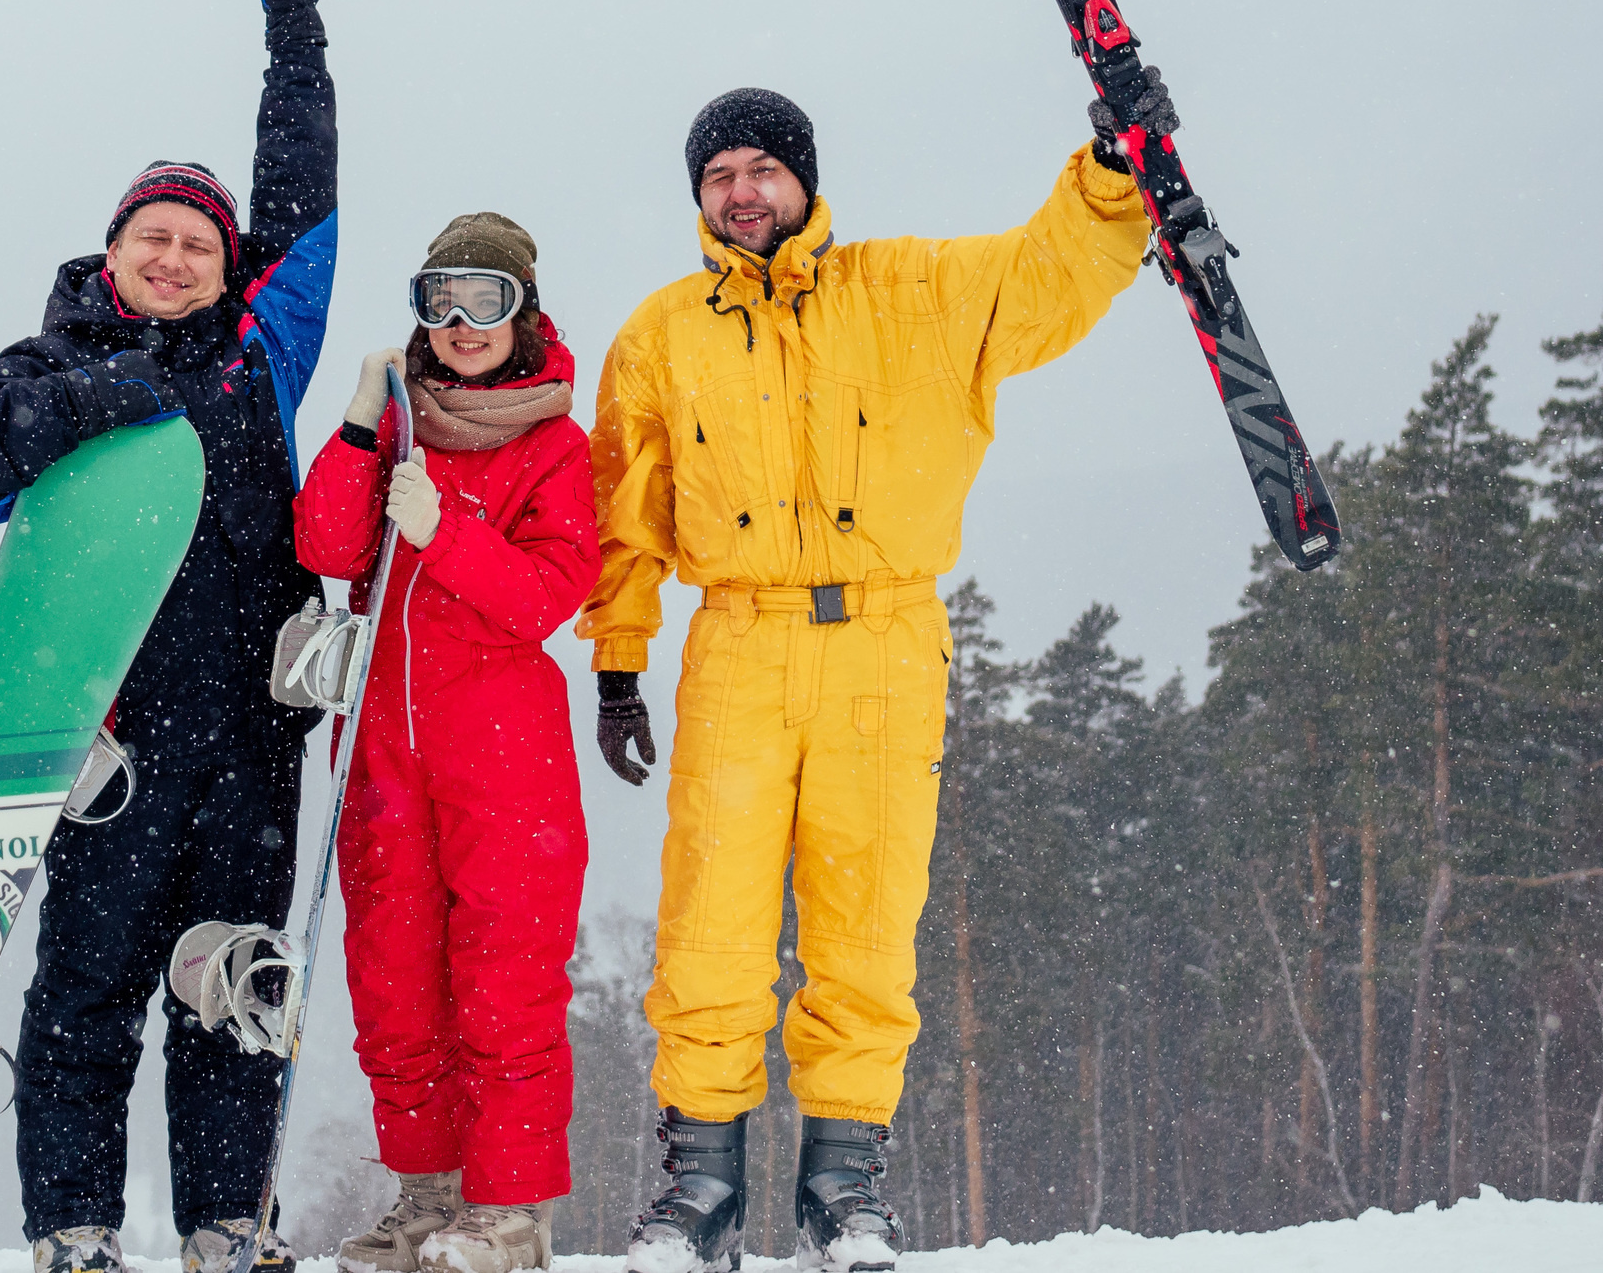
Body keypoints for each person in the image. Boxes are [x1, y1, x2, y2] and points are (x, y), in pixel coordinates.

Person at [582, 79, 1175, 1273]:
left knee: (863, 926)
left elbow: (1047, 275)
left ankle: (842, 1188)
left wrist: (1113, 171)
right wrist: (618, 661)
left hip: (886, 644)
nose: (740, 194)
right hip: (737, 642)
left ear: (804, 179)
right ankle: (698, 1185)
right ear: (697, 199)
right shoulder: (661, 334)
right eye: (717, 178)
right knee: (713, 929)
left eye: (759, 169)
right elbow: (624, 514)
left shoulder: (910, 290)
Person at [0, 0, 339, 1273]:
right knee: (88, 996)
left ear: (229, 267)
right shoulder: (49, 357)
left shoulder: (259, 357)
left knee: (232, 991)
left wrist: (296, 33)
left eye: (197, 245)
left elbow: (303, 194)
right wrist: (103, 393)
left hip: (249, 736)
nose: (173, 258)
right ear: (113, 250)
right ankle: (76, 1231)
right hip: (105, 743)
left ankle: (225, 1223)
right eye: (151, 237)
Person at [293, 215, 600, 1273]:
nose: (461, 324)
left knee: (503, 978)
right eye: (439, 301)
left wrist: (444, 533)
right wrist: (356, 422)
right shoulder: (397, 434)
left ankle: (508, 1215)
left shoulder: (555, 445)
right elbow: (326, 545)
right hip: (382, 755)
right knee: (392, 981)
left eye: (484, 300)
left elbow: (546, 595)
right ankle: (427, 1199)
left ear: (522, 311)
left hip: (504, 756)